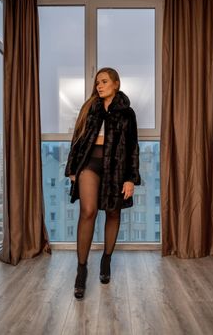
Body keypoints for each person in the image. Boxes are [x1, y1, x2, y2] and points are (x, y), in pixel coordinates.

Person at [65, 67, 141, 300]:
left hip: (116, 169)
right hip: (89, 164)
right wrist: (72, 168)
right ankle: (81, 270)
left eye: (104, 81)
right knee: (87, 211)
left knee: (112, 213)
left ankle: (106, 260)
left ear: (116, 84)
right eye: (97, 82)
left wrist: (130, 178)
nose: (99, 85)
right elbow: (77, 138)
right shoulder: (90, 108)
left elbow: (132, 148)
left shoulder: (127, 113)